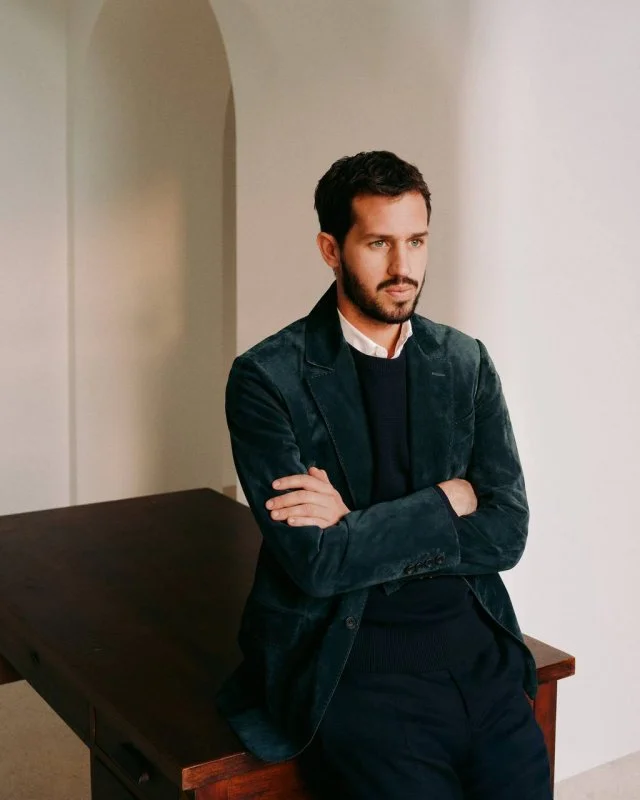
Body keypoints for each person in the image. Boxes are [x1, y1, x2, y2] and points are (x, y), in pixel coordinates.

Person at [217, 150, 552, 798]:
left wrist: (355, 524)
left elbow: (506, 533)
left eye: (416, 241)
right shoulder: (267, 378)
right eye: (378, 243)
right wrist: (446, 499)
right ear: (331, 249)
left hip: (476, 651)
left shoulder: (465, 362)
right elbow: (317, 564)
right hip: (353, 665)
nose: (404, 267)